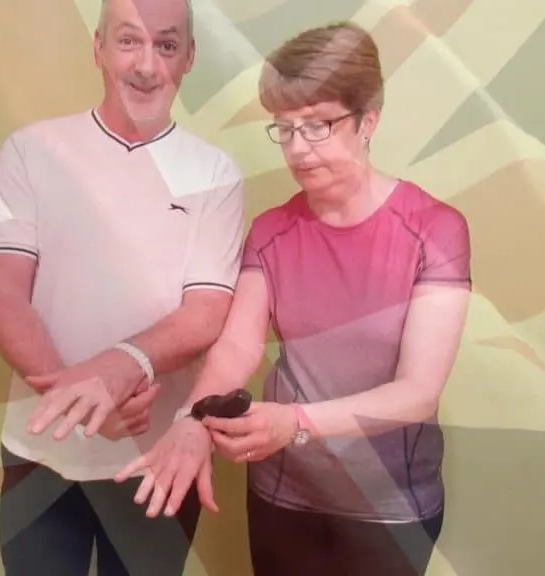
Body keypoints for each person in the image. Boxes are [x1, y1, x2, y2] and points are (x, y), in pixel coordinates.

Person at [115, 21, 473, 576]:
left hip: (390, 507)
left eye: (319, 126)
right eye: (284, 129)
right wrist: (191, 417)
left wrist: (297, 421)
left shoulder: (435, 230)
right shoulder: (272, 231)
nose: (298, 149)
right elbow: (237, 349)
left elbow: (418, 393)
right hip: (285, 495)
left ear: (368, 120)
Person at [0, 0, 244, 574]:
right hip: (39, 451)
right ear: (98, 48)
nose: (146, 65)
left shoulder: (215, 174)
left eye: (167, 45)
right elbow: (5, 293)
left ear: (189, 58)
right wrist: (75, 401)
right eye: (128, 41)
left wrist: (119, 370)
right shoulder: (30, 151)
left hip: (155, 460)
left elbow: (206, 311)